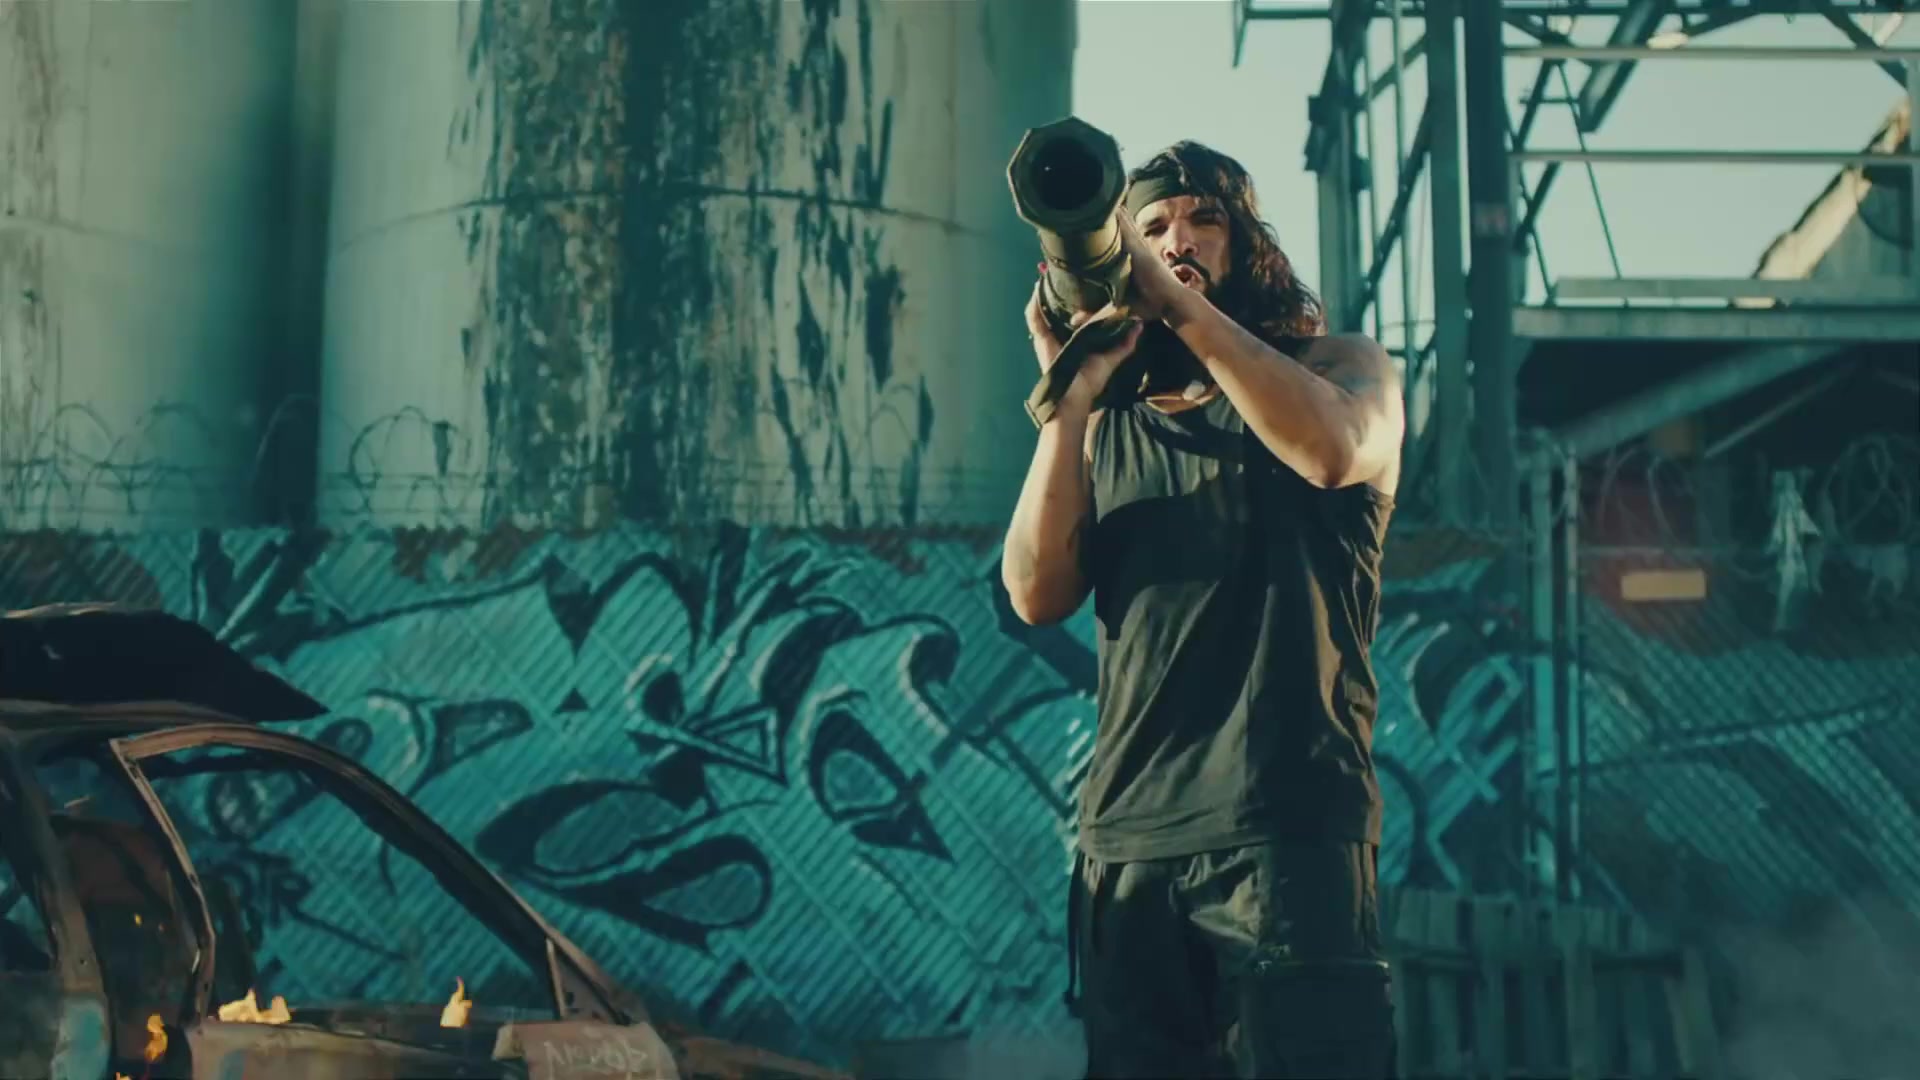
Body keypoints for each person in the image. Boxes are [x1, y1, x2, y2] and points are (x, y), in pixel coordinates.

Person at [1000, 140, 1405, 1079]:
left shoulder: (1341, 367)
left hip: (1285, 833)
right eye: (1151, 229)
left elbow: (1334, 453)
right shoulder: (1108, 425)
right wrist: (1069, 402)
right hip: (1128, 846)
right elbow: (1034, 592)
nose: (1176, 242)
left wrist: (1176, 303)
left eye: (1203, 220)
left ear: (1249, 245)